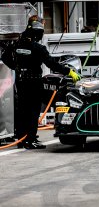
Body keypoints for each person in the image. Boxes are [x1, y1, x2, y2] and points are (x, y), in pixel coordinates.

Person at [1, 16, 81, 149]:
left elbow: (4, 57)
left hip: (21, 81)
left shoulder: (16, 44)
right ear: (38, 32)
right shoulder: (38, 48)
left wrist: (15, 67)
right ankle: (31, 139)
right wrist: (69, 72)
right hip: (34, 81)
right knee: (33, 111)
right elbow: (52, 64)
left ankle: (21, 139)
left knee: (22, 110)